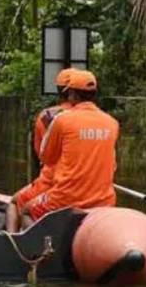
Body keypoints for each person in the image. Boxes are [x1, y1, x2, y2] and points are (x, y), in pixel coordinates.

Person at [18, 70, 119, 224]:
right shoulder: (112, 123)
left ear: (72, 93)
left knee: (25, 210)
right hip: (104, 200)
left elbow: (46, 158)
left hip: (64, 199)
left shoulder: (61, 120)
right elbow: (112, 164)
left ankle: (34, 248)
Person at [13, 67, 76, 212]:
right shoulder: (98, 119)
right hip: (88, 186)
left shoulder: (46, 115)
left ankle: (14, 234)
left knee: (16, 203)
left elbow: (42, 154)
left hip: (53, 182)